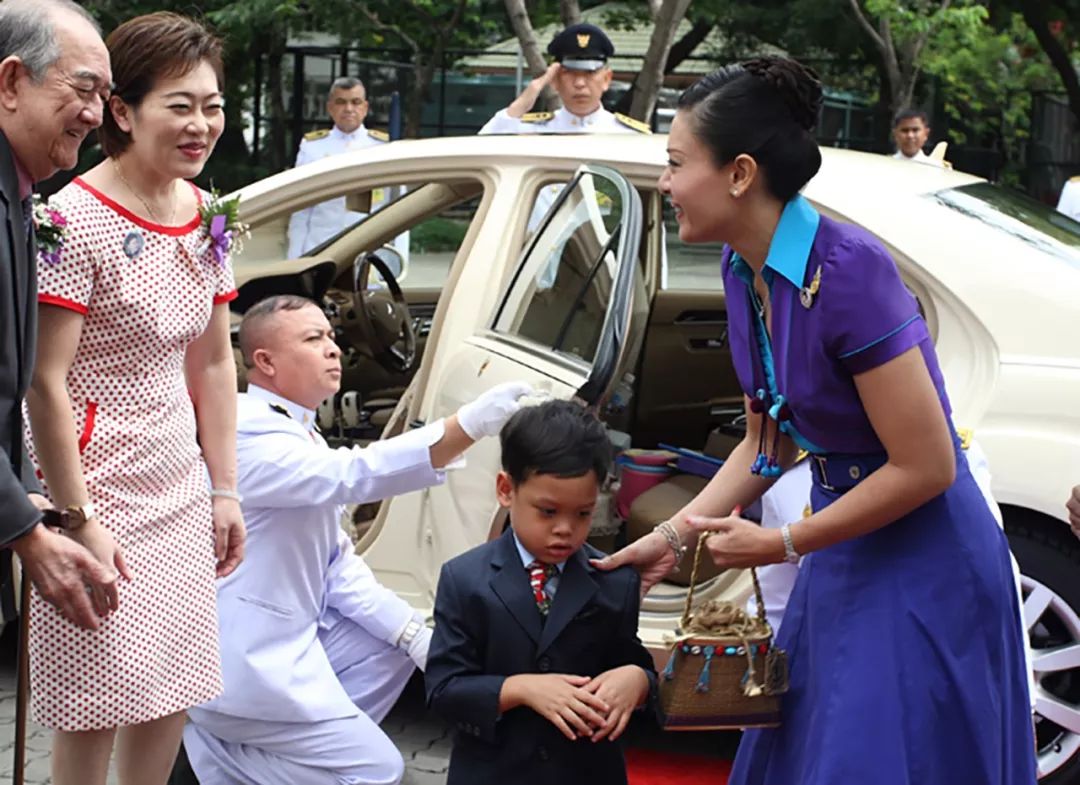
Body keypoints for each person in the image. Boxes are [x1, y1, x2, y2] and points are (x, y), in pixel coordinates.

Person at [596, 57, 1036, 784]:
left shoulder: (850, 269)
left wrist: (781, 540)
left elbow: (928, 465)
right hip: (843, 545)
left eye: (676, 164)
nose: (665, 184)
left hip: (926, 557)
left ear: (740, 174)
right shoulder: (743, 269)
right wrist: (674, 537)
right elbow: (770, 440)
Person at [183, 294, 533, 785]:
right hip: (241, 661)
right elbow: (351, 474)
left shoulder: (298, 430)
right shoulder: (245, 427)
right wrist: (466, 426)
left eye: (330, 336)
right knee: (379, 769)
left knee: (387, 642)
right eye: (312, 339)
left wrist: (415, 636)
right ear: (265, 362)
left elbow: (337, 564)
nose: (332, 349)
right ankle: (218, 760)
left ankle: (264, 753)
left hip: (286, 640)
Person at [23, 12, 244, 785]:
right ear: (122, 110)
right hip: (93, 489)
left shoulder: (210, 212)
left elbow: (214, 363)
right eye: (179, 104)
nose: (201, 124)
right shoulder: (67, 219)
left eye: (212, 105)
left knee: (170, 692)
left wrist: (224, 487)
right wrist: (75, 514)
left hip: (178, 487)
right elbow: (43, 381)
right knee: (93, 699)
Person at [426, 399, 657, 785]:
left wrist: (639, 681)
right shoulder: (465, 579)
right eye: (547, 512)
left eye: (582, 514)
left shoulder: (615, 580)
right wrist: (519, 688)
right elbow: (444, 690)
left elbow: (635, 666)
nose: (565, 529)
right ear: (505, 489)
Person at [0, 0, 119, 632]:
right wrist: (24, 529)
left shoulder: (20, 193)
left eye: (104, 94)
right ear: (11, 81)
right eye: (82, 88)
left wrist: (28, 499)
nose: (96, 115)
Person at [286, 76, 396, 260]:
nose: (348, 109)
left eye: (356, 102)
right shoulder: (312, 147)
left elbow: (396, 205)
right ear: (330, 107)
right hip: (321, 246)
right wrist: (295, 257)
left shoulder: (382, 147)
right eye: (341, 102)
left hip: (367, 247)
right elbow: (301, 207)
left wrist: (395, 257)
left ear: (365, 108)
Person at [478, 23, 650, 136]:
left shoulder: (628, 135)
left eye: (589, 74)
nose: (580, 83)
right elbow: (480, 147)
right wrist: (523, 102)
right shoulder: (534, 130)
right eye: (571, 73)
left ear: (607, 79)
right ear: (554, 80)